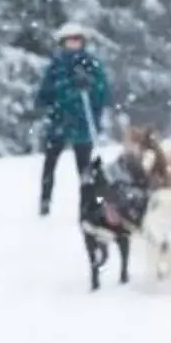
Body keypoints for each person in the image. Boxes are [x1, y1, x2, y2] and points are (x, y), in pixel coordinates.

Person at [33, 23, 114, 216]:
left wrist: (90, 86)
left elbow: (104, 95)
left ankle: (87, 205)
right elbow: (44, 95)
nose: (74, 44)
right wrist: (56, 100)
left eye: (77, 40)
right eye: (70, 41)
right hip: (59, 123)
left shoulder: (91, 64)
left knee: (85, 169)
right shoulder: (56, 66)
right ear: (63, 43)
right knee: (50, 164)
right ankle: (45, 201)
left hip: (82, 125)